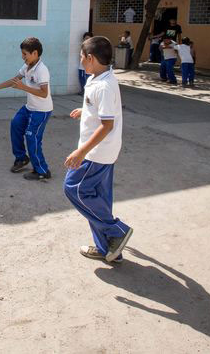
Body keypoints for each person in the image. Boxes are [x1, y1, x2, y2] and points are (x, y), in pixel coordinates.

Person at [64, 36, 132, 263]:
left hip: (95, 153)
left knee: (73, 189)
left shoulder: (102, 86)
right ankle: (108, 249)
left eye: (81, 57)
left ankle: (116, 230)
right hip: (107, 152)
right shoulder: (102, 77)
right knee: (98, 201)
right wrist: (86, 110)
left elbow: (107, 125)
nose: (80, 61)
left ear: (90, 58)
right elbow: (105, 112)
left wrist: (81, 151)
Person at [0, 37, 53, 181]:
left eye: (25, 54)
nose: (23, 57)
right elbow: (14, 80)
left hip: (41, 111)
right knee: (15, 124)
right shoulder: (27, 67)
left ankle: (42, 170)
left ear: (35, 53)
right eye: (22, 54)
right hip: (30, 107)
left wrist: (24, 87)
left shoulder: (42, 70)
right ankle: (21, 158)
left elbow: (44, 93)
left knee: (31, 137)